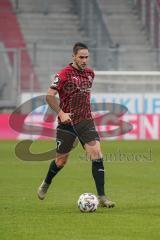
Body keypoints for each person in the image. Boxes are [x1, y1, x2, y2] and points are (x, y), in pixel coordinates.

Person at [37, 42, 115, 208]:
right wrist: (61, 113)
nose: (84, 60)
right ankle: (46, 181)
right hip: (67, 123)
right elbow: (49, 96)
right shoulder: (63, 74)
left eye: (86, 57)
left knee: (96, 153)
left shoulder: (90, 74)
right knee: (61, 161)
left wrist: (86, 110)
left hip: (85, 122)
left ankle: (102, 196)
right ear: (73, 56)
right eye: (81, 57)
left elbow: (82, 97)